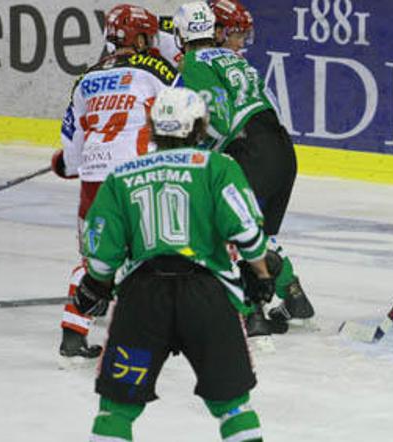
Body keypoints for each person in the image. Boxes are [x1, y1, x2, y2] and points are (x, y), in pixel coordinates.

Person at [76, 87, 272, 441]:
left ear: (153, 126)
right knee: (234, 406)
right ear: (198, 126)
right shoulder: (217, 166)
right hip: (207, 297)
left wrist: (96, 284)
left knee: (116, 408)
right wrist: (261, 274)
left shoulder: (122, 175)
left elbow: (102, 255)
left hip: (142, 299)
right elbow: (246, 232)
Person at [173, 1, 314, 336]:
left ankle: (251, 312)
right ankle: (292, 295)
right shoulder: (239, 64)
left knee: (227, 226)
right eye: (234, 33)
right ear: (216, 31)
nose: (239, 41)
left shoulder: (193, 62)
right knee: (257, 232)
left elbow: (219, 123)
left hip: (251, 151)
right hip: (281, 150)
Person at [52, 3, 178, 362]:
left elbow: (71, 148)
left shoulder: (86, 78)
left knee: (93, 257)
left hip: (93, 176)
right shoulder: (157, 68)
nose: (151, 41)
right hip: (135, 174)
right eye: (147, 35)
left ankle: (72, 334)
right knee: (145, 251)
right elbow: (182, 109)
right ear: (137, 37)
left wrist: (68, 165)